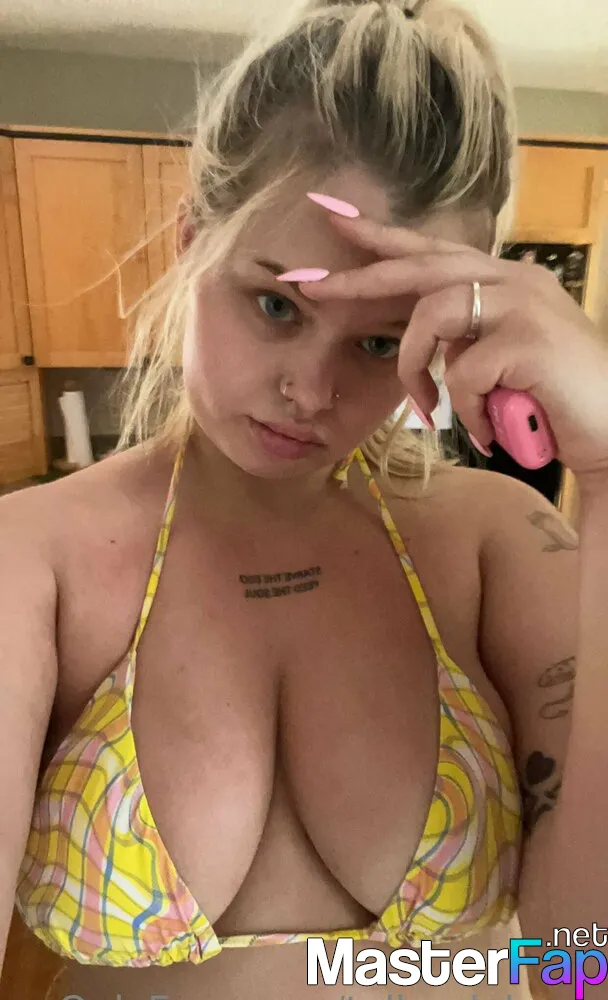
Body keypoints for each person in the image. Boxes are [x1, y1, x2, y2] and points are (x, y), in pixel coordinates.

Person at [1, 0, 608, 998]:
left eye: (378, 340)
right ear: (193, 242)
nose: (313, 391)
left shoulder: (498, 546)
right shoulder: (31, 560)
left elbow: (582, 969)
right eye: (275, 304)